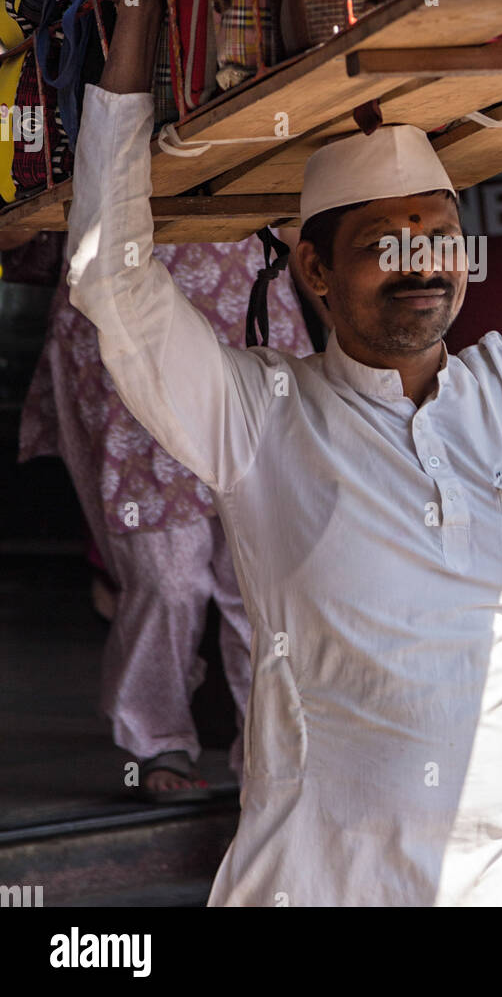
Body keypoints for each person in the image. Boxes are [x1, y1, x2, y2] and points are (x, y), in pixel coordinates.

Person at [65, 0, 502, 905]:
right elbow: (111, 281)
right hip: (328, 879)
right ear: (316, 273)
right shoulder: (260, 419)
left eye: (436, 235)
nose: (421, 261)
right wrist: (131, 35)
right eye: (384, 242)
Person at [19, 229, 315, 800]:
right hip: (126, 341)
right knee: (166, 577)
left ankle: (272, 752)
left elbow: (297, 224)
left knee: (261, 579)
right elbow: (27, 238)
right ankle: (156, 740)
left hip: (248, 322)